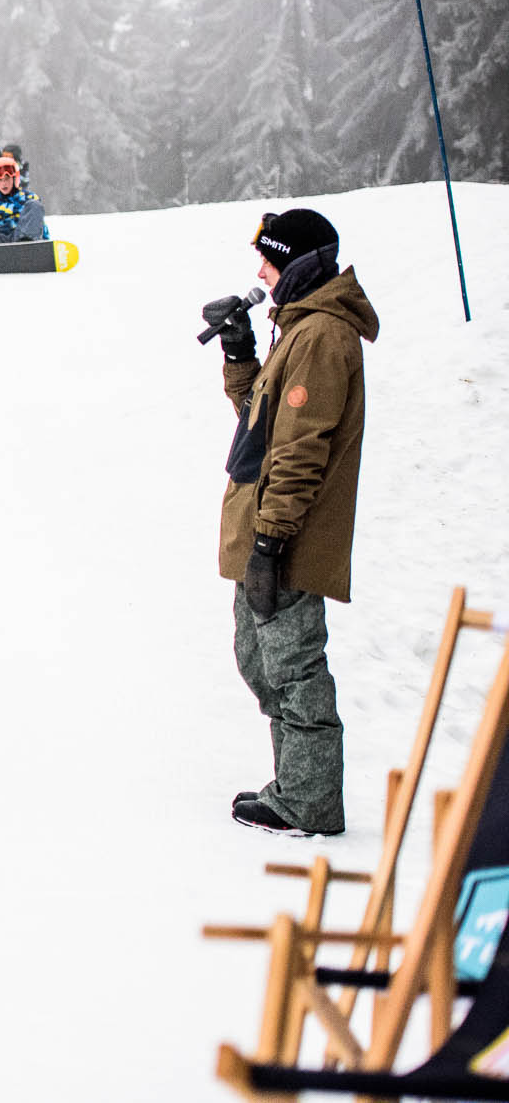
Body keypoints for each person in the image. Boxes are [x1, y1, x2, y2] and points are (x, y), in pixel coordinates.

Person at [208, 209, 378, 837]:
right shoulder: (297, 331)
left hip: (286, 539)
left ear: (298, 266)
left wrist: (270, 542)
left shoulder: (322, 338)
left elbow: (301, 449)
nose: (260, 272)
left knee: (294, 666)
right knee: (259, 661)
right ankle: (295, 787)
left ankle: (310, 803)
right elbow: (259, 421)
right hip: (264, 529)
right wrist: (240, 352)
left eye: (270, 261)